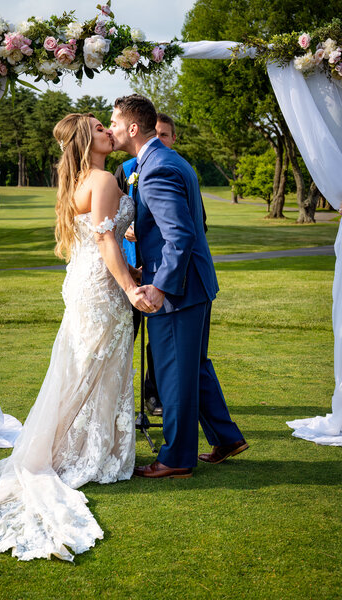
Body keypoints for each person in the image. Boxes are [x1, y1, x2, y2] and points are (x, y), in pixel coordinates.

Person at [0, 113, 155, 562]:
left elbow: (103, 240)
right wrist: (131, 287)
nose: (107, 131)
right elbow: (105, 242)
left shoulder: (81, 179)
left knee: (88, 367)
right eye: (100, 128)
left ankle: (89, 449)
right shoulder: (99, 179)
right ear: (87, 139)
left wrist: (129, 273)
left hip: (87, 282)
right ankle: (91, 455)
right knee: (92, 368)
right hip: (100, 286)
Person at [109, 95, 248, 479]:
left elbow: (181, 235)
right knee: (193, 368)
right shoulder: (166, 160)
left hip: (180, 289)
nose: (112, 129)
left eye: (115, 123)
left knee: (173, 374)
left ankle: (176, 458)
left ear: (133, 128)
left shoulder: (155, 169)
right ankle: (226, 437)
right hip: (196, 285)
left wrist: (162, 287)